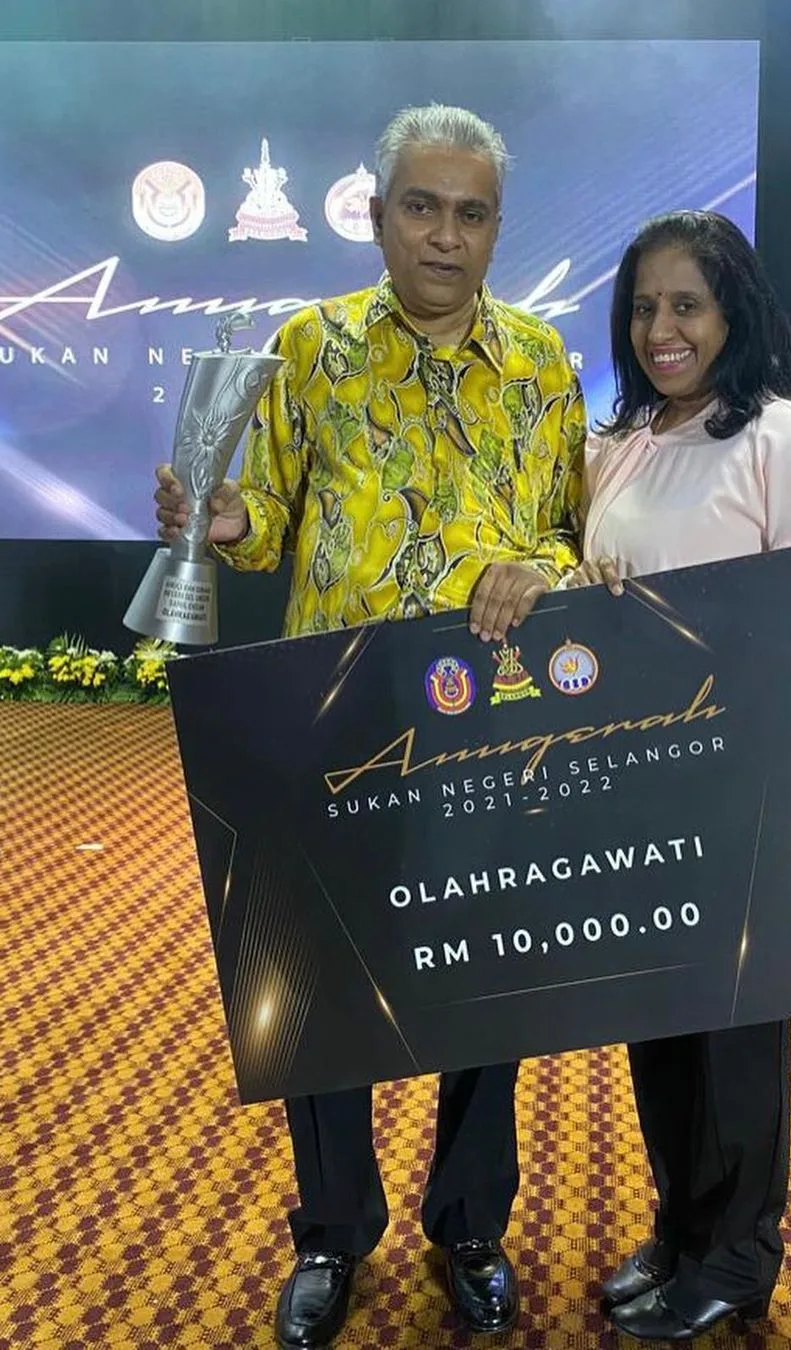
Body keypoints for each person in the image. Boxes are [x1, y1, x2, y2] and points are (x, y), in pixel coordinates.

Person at [154, 105, 585, 1349]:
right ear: (379, 213)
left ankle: (471, 1225)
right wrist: (223, 524)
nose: (446, 236)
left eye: (472, 213)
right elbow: (266, 519)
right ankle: (332, 1232)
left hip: (494, 723)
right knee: (323, 976)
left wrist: (543, 571)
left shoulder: (544, 361)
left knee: (489, 981)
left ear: (496, 226)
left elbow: (574, 532)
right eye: (422, 207)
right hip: (337, 715)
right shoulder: (313, 346)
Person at [567, 211, 791, 1343]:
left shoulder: (781, 442)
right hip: (639, 789)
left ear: (735, 313)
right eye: (644, 307)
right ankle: (681, 1229)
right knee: (659, 1021)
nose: (661, 330)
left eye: (688, 304)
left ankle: (738, 1253)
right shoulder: (621, 443)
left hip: (750, 789)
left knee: (734, 1033)